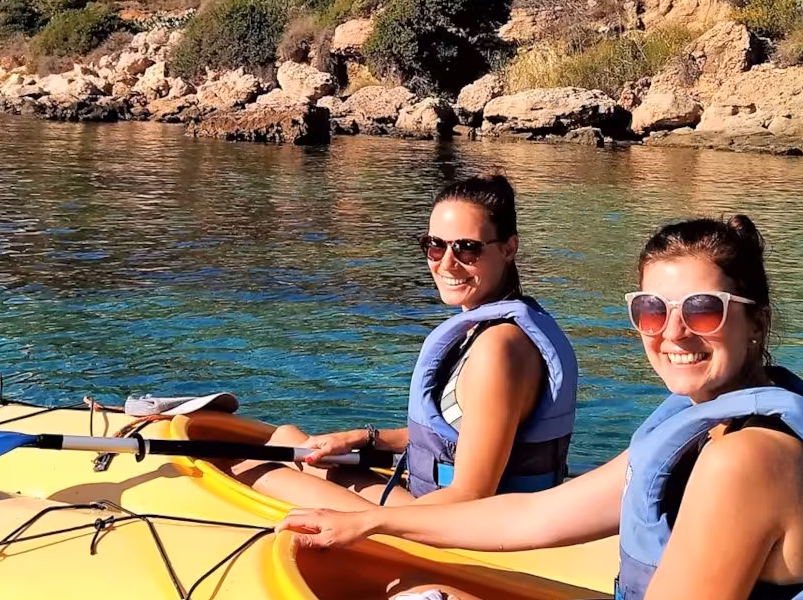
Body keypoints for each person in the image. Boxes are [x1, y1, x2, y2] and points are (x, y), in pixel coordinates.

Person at [279, 215, 803, 600]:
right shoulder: (711, 422)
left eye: (704, 310)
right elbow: (537, 515)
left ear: (756, 322)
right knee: (413, 599)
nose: (672, 333)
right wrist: (372, 523)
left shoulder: (746, 457)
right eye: (651, 310)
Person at [244, 174, 578, 508]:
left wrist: (362, 524)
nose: (447, 263)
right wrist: (366, 438)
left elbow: (471, 496)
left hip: (463, 526)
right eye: (435, 246)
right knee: (288, 439)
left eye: (467, 248)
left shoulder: (498, 349)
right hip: (442, 505)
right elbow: (463, 439)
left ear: (508, 248)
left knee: (258, 469)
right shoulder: (488, 330)